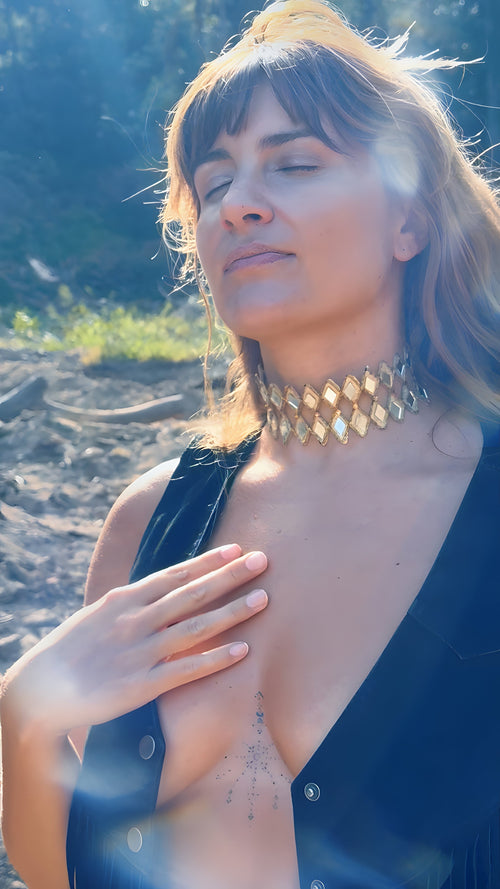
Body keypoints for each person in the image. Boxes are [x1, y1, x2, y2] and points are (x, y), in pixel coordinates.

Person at [2, 1, 500, 887]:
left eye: (296, 163)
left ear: (412, 223)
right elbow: (63, 876)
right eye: (216, 179)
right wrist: (23, 717)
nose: (240, 205)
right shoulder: (149, 523)